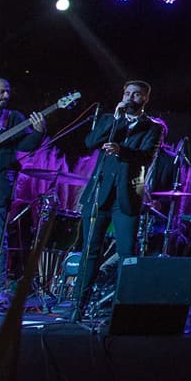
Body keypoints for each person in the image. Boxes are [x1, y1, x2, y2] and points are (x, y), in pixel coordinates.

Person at [68, 80, 163, 320]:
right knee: (90, 250)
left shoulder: (152, 127)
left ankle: (123, 307)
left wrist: (121, 150)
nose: (131, 97)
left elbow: (146, 157)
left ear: (145, 99)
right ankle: (78, 305)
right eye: (127, 93)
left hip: (128, 194)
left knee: (126, 253)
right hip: (100, 193)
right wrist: (116, 120)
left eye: (137, 95)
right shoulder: (110, 120)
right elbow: (90, 143)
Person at [0, 77, 46, 312]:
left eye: (8, 92)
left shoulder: (13, 118)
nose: (6, 96)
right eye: (2, 91)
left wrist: (39, 132)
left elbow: (26, 146)